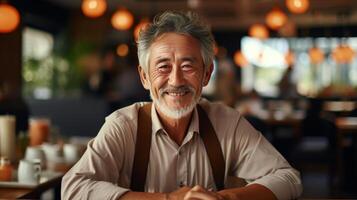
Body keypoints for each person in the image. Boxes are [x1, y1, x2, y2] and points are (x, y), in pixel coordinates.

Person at [62, 11, 302, 200]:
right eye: (163, 66)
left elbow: (288, 178)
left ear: (206, 75)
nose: (176, 80)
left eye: (188, 66)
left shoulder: (226, 122)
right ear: (145, 77)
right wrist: (167, 198)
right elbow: (73, 188)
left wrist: (225, 198)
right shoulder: (123, 125)